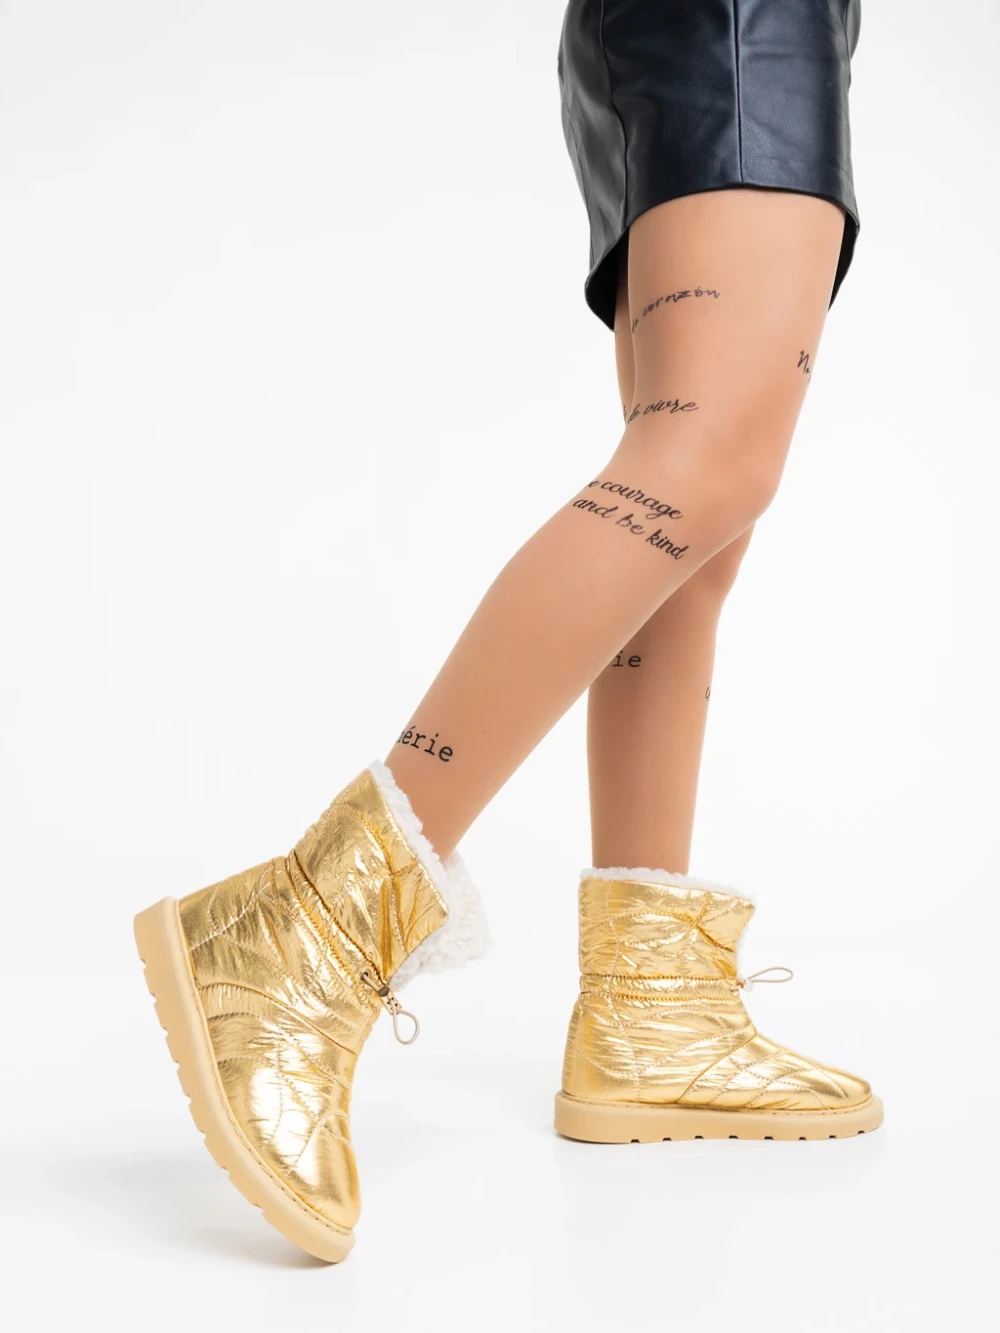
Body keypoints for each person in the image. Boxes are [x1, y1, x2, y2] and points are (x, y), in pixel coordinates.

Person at [135, 0, 880, 1263]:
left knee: (689, 526)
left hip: (708, 29)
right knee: (702, 468)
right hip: (738, 22)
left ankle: (649, 1006)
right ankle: (307, 927)